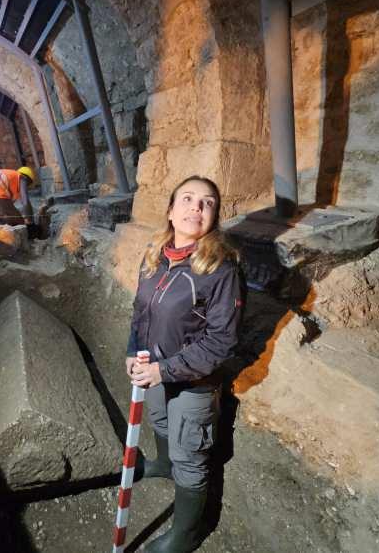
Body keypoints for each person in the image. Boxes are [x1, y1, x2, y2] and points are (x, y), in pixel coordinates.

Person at [126, 176, 242, 552]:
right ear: (171, 212)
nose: (197, 207)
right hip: (155, 366)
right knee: (159, 421)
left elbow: (222, 341)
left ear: (214, 217)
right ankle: (163, 464)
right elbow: (141, 311)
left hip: (194, 380)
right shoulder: (155, 255)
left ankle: (185, 535)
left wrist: (163, 370)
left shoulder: (220, 270)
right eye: (188, 199)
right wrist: (134, 349)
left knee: (190, 455)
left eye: (207, 203)